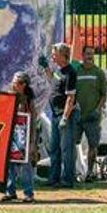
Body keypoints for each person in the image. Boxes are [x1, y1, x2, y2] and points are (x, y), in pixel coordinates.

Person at [43, 43, 79, 188]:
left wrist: (65, 117)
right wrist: (46, 68)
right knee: (54, 148)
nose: (52, 56)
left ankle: (67, 180)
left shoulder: (70, 72)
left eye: (54, 54)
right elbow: (53, 80)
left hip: (66, 116)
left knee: (67, 149)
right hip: (55, 114)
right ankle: (54, 178)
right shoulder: (59, 70)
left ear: (63, 56)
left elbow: (70, 98)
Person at [73, 47, 107, 183]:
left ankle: (89, 173)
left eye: (92, 54)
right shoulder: (76, 71)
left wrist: (97, 110)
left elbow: (104, 95)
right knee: (73, 145)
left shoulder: (98, 72)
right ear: (82, 55)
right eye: (87, 54)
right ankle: (75, 172)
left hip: (92, 117)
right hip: (77, 116)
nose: (90, 56)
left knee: (93, 146)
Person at [2, 72, 37, 203]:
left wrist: (32, 141)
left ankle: (28, 193)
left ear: (24, 85)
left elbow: (33, 119)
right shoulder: (9, 96)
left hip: (24, 136)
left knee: (26, 165)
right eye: (14, 82)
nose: (14, 85)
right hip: (12, 136)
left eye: (17, 82)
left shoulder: (28, 99)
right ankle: (10, 191)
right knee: (10, 165)